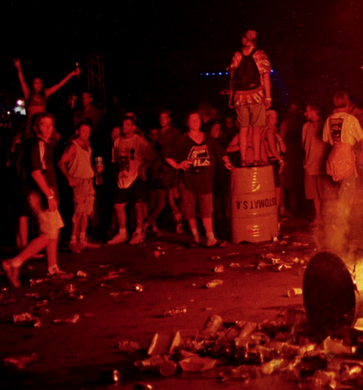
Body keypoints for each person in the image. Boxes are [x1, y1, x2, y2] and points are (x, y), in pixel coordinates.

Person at [2, 114, 67, 286]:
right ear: (36, 127)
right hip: (40, 194)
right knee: (48, 233)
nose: (48, 128)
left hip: (45, 193)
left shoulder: (43, 144)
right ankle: (13, 263)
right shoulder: (37, 144)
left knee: (55, 228)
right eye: (43, 124)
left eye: (50, 124)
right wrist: (49, 195)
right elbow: (36, 172)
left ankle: (52, 268)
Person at [165, 111, 233, 247]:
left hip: (205, 180)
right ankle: (196, 238)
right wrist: (178, 165)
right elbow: (166, 153)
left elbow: (220, 152)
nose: (195, 122)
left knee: (206, 210)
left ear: (201, 122)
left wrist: (227, 162)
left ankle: (210, 238)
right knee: (190, 211)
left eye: (197, 120)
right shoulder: (182, 139)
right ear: (187, 123)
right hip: (188, 180)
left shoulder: (208, 139)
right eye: (192, 120)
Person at [322, 91, 363, 254]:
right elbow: (362, 138)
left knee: (341, 193)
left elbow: (326, 139)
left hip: (334, 157)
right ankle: (342, 233)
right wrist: (362, 152)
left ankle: (340, 231)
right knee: (347, 196)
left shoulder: (329, 119)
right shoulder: (350, 119)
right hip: (346, 158)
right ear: (346, 102)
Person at [108, 114, 158, 245]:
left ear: (134, 127)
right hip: (123, 177)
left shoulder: (139, 141)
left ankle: (138, 232)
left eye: (128, 124)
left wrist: (143, 167)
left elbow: (154, 157)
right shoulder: (117, 141)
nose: (125, 127)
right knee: (118, 206)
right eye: (123, 124)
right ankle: (122, 233)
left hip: (136, 176)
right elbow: (114, 160)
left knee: (138, 205)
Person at [228, 29, 272, 166]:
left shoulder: (237, 54)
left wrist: (231, 96)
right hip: (257, 95)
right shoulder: (260, 54)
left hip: (240, 97)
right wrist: (268, 97)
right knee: (256, 128)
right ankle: (256, 158)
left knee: (243, 128)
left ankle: (242, 159)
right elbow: (265, 76)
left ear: (246, 39)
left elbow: (231, 77)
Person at [58, 121, 99, 253]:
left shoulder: (88, 146)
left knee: (86, 212)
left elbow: (85, 164)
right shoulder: (73, 146)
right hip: (79, 182)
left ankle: (83, 239)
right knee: (79, 212)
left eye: (88, 131)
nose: (86, 134)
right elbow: (61, 163)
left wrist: (96, 170)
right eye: (83, 131)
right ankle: (73, 241)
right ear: (77, 131)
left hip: (88, 181)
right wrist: (69, 177)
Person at [13, 59, 80, 128]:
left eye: (39, 83)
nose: (38, 84)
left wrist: (71, 74)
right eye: (36, 83)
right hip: (30, 127)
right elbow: (22, 82)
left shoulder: (45, 93)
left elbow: (59, 84)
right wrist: (19, 69)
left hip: (42, 127)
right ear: (32, 84)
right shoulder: (28, 93)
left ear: (42, 84)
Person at [301, 103, 328, 224]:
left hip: (322, 163)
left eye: (307, 111)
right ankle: (318, 217)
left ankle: (327, 216)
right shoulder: (306, 126)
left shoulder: (325, 123)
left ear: (314, 111)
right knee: (314, 193)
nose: (305, 113)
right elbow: (303, 144)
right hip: (309, 163)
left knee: (324, 192)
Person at [261, 109, 288, 218]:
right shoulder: (268, 131)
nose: (275, 120)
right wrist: (281, 160)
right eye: (272, 117)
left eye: (276, 117)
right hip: (272, 161)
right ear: (267, 118)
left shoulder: (270, 131)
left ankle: (276, 213)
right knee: (276, 189)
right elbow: (272, 148)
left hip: (271, 161)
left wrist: (279, 138)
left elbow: (283, 149)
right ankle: (274, 215)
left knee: (278, 188)